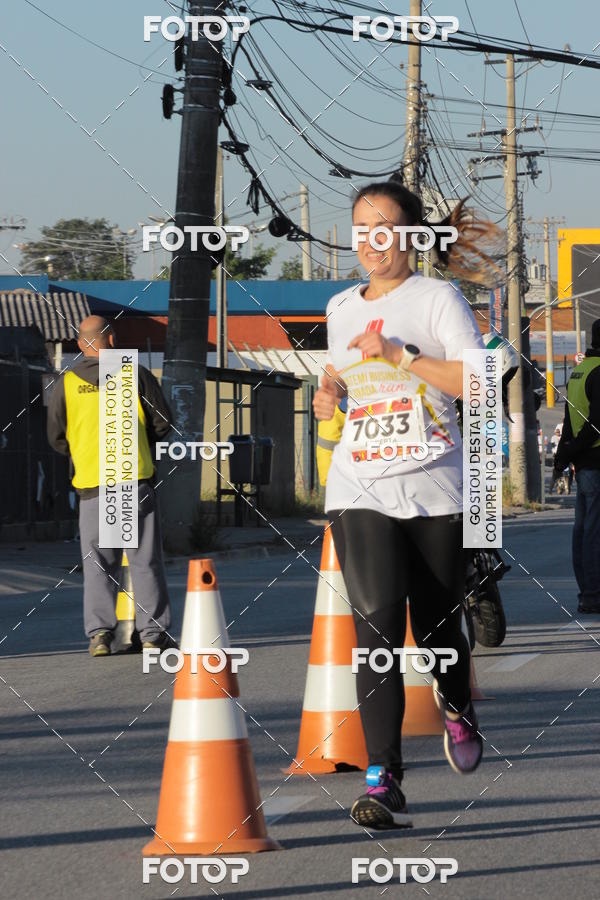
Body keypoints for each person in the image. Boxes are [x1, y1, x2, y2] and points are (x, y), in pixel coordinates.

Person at [313, 179, 500, 830]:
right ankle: (383, 777)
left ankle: (457, 703)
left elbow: (477, 383)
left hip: (435, 486)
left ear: (413, 236)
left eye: (384, 228)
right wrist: (330, 394)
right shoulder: (339, 308)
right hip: (360, 485)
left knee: (437, 628)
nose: (370, 241)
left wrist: (402, 355)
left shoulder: (437, 299)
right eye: (361, 229)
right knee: (377, 629)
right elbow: (344, 381)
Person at [48, 315, 176, 656]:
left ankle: (100, 635)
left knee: (97, 564)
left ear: (80, 344)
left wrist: (83, 453)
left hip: (93, 486)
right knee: (144, 561)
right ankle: (152, 635)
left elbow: (57, 437)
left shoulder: (68, 382)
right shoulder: (134, 374)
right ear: (113, 340)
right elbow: (163, 423)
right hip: (133, 483)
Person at [554, 319, 600, 614]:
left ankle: (587, 593)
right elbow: (596, 426)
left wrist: (564, 457)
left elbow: (571, 421)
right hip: (596, 462)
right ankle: (594, 595)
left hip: (584, 464)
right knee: (594, 532)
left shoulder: (579, 372)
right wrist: (571, 452)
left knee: (583, 530)